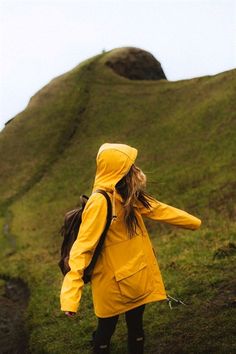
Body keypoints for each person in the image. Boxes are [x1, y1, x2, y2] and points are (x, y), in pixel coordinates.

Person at [60, 143, 201, 354]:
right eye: (130, 166)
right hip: (110, 286)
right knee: (105, 333)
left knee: (137, 329)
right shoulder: (100, 202)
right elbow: (82, 249)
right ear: (118, 170)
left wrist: (194, 223)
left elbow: (159, 209)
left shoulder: (127, 195)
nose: (135, 169)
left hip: (136, 280)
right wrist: (70, 297)